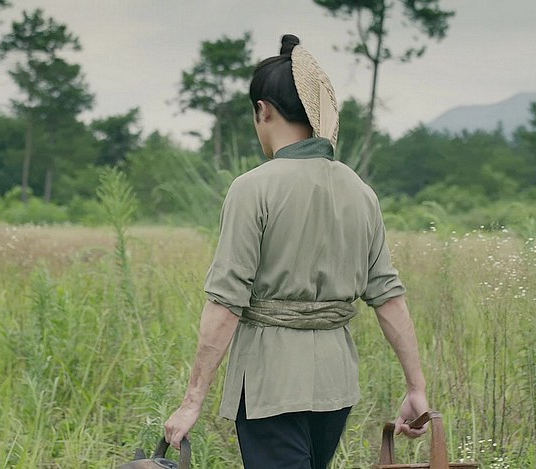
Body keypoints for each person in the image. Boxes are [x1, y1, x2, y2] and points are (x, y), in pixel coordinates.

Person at [164, 34, 429, 469]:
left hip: (269, 382)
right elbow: (388, 297)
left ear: (263, 110)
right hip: (335, 386)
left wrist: (192, 402)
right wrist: (416, 387)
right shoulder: (360, 191)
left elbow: (226, 303)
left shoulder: (253, 188)